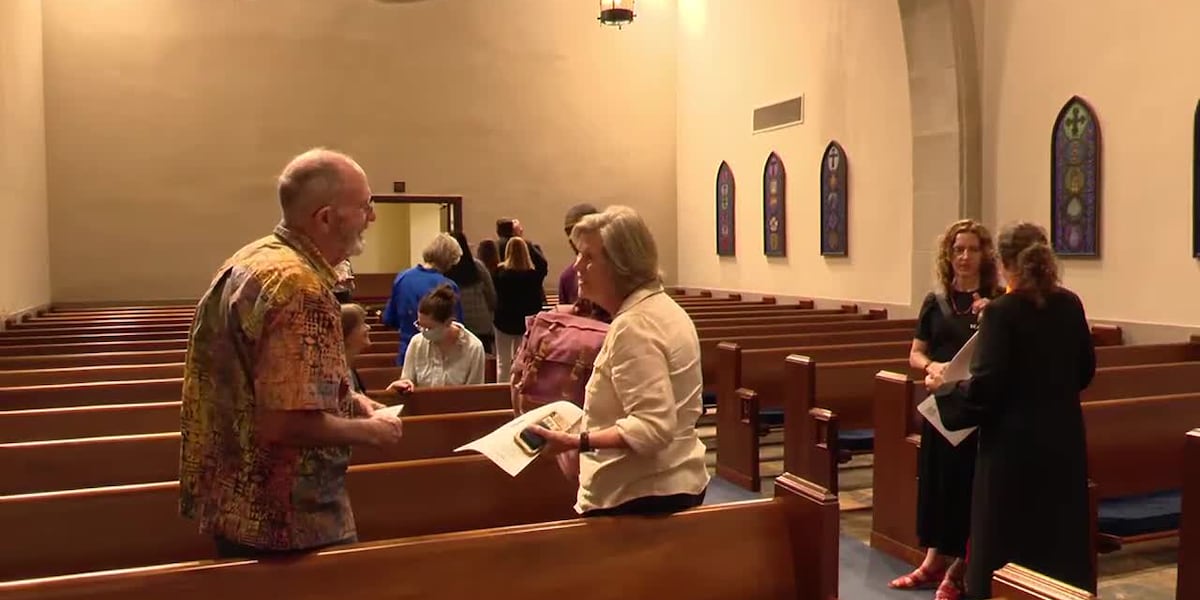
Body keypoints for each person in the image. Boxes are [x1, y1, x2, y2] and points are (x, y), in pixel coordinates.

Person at [179, 148, 404, 559]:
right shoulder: (300, 288)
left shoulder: (251, 260)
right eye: (364, 207)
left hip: (235, 500)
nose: (371, 217)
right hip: (287, 518)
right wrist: (373, 431)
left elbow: (264, 379)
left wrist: (350, 400)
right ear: (325, 218)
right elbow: (284, 423)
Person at [926, 222, 1096, 599]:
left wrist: (946, 390)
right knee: (1057, 543)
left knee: (1007, 546)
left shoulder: (1002, 314)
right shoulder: (1069, 304)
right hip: (1062, 444)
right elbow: (1085, 372)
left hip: (1013, 453)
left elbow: (985, 389)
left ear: (1002, 263)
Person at [528, 206, 710, 517]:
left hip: (638, 497)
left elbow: (652, 428)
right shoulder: (664, 308)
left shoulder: (634, 325)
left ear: (621, 265)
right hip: (671, 482)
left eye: (588, 257)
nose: (577, 266)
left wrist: (575, 441)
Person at [889, 220, 1002, 599]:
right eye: (958, 250)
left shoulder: (997, 300)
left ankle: (961, 565)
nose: (965, 257)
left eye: (972, 249)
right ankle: (932, 559)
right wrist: (930, 366)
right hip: (940, 407)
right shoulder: (935, 302)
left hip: (975, 409)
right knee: (937, 484)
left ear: (985, 254)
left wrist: (995, 313)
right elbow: (915, 353)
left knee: (968, 485)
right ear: (948, 255)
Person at [381, 232, 465, 366]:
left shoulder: (402, 278)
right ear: (449, 260)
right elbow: (456, 327)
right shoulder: (448, 286)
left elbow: (389, 319)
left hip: (407, 353)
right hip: (439, 357)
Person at [387, 284, 486, 392]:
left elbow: (474, 393)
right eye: (420, 325)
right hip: (423, 406)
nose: (423, 332)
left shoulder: (473, 347)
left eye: (429, 328)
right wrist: (405, 385)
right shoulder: (417, 342)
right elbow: (406, 380)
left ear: (448, 322)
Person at [493, 237, 549, 382]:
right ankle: (519, 387)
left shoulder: (500, 273)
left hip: (504, 321)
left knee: (503, 362)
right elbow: (543, 263)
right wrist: (530, 245)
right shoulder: (533, 275)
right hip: (525, 323)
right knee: (523, 360)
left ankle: (502, 390)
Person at [444, 231, 498, 354]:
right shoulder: (478, 267)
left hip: (456, 325)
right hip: (481, 324)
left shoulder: (444, 270)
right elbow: (491, 296)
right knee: (484, 362)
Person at [557, 203, 599, 306]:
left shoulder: (617, 273)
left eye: (578, 233)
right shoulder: (567, 278)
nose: (572, 241)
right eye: (569, 234)